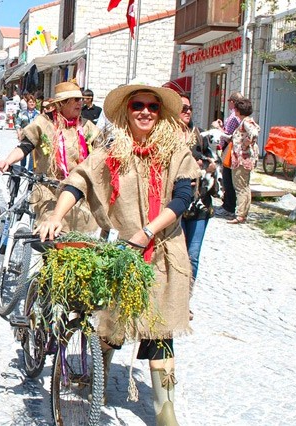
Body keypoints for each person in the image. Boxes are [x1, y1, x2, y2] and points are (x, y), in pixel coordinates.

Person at [36, 81, 199, 426]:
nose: (145, 112)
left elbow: (182, 199)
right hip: (124, 253)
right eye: (138, 105)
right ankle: (99, 379)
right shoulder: (113, 150)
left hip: (165, 255)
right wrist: (55, 215)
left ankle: (166, 416)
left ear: (161, 113)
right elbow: (78, 181)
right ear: (127, 110)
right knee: (111, 326)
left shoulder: (176, 152)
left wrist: (148, 232)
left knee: (161, 333)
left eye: (153, 107)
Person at [0, 82, 100, 234]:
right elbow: (25, 146)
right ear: (62, 103)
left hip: (78, 191)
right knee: (51, 233)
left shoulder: (87, 126)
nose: (80, 103)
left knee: (78, 237)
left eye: (80, 99)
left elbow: (101, 153)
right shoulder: (43, 123)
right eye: (75, 100)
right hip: (48, 188)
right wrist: (7, 161)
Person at [177, 92, 216, 284]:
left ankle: (187, 297)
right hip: (174, 203)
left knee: (193, 254)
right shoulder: (165, 137)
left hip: (199, 202)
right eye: (184, 108)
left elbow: (212, 163)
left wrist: (203, 165)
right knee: (176, 253)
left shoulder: (199, 134)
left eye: (190, 108)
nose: (188, 111)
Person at [226, 98, 260, 225]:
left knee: (240, 187)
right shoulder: (247, 121)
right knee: (245, 187)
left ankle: (240, 214)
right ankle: (243, 213)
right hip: (245, 158)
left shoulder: (245, 122)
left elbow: (254, 134)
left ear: (239, 110)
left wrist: (245, 145)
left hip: (242, 159)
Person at [212, 91, 243, 219]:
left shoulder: (234, 117)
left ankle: (229, 207)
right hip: (229, 148)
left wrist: (217, 128)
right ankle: (227, 204)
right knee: (227, 177)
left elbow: (229, 135)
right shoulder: (235, 116)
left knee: (228, 178)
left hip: (229, 148)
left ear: (232, 102)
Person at [14, 93, 40, 170]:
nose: (32, 104)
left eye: (33, 102)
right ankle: (22, 168)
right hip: (24, 136)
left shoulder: (38, 113)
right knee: (23, 152)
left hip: (34, 136)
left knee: (32, 154)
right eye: (30, 102)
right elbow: (17, 124)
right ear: (27, 103)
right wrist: (18, 133)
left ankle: (30, 171)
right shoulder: (22, 113)